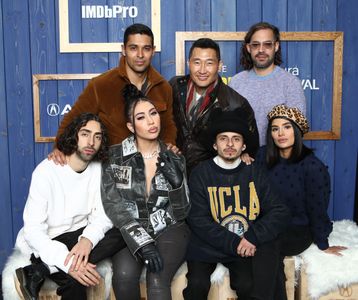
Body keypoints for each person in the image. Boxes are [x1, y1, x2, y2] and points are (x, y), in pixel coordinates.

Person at [14, 113, 126, 300]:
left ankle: (40, 270)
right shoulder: (45, 172)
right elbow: (33, 231)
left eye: (97, 137)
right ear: (73, 135)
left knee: (123, 228)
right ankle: (45, 265)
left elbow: (103, 215)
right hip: (48, 240)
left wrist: (87, 240)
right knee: (75, 280)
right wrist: (67, 264)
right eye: (85, 134)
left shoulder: (98, 169)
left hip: (78, 236)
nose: (91, 142)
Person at [183, 108, 289, 300]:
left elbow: (279, 210)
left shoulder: (254, 172)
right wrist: (235, 242)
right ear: (215, 145)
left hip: (243, 244)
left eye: (236, 139)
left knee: (247, 285)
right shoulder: (201, 173)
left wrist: (252, 236)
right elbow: (197, 219)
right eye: (223, 138)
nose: (230, 144)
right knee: (196, 286)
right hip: (207, 245)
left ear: (243, 146)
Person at [101, 84, 191, 300]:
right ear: (131, 126)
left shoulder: (174, 157)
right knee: (123, 276)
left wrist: (178, 183)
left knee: (157, 277)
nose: (151, 121)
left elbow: (182, 212)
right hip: (131, 229)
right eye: (141, 118)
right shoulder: (114, 157)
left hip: (170, 229)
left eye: (153, 114)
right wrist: (142, 242)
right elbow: (113, 205)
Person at [49, 23, 176, 165]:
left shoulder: (163, 87)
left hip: (151, 169)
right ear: (123, 50)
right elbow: (72, 120)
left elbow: (168, 126)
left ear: (153, 51)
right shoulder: (101, 85)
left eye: (146, 49)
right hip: (112, 171)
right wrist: (59, 148)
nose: (140, 55)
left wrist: (170, 145)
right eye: (133, 48)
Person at [255, 104, 347, 299]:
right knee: (267, 248)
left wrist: (323, 242)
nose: (281, 133)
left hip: (296, 229)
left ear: (297, 130)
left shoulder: (313, 166)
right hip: (267, 224)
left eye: (287, 127)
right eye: (275, 128)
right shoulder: (262, 156)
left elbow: (317, 208)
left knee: (266, 243)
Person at [170, 38, 259, 174]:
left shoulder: (235, 103)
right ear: (189, 63)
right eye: (197, 62)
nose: (202, 70)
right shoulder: (175, 86)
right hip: (173, 174)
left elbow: (251, 147)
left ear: (219, 65)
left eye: (209, 63)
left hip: (210, 178)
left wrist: (243, 154)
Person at [229, 22, 306, 145]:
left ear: (276, 46)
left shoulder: (290, 83)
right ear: (248, 48)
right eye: (255, 45)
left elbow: (296, 130)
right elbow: (230, 125)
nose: (261, 50)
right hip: (244, 158)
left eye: (267, 44)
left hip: (277, 159)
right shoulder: (236, 82)